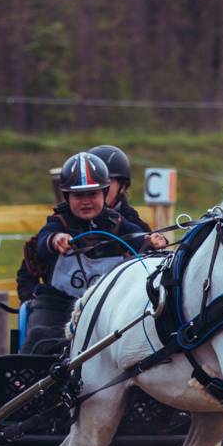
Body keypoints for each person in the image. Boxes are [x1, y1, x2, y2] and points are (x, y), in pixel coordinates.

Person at [19, 151, 165, 355]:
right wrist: (55, 240)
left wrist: (152, 240)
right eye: (78, 195)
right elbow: (44, 240)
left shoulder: (117, 222)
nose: (86, 201)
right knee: (39, 337)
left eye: (92, 194)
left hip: (106, 305)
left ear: (104, 194)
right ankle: (25, 373)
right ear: (67, 197)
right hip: (58, 304)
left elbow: (138, 236)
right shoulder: (58, 222)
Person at [88, 144, 152, 233]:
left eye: (106, 182)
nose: (99, 189)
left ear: (123, 186)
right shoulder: (69, 218)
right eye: (93, 182)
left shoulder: (133, 221)